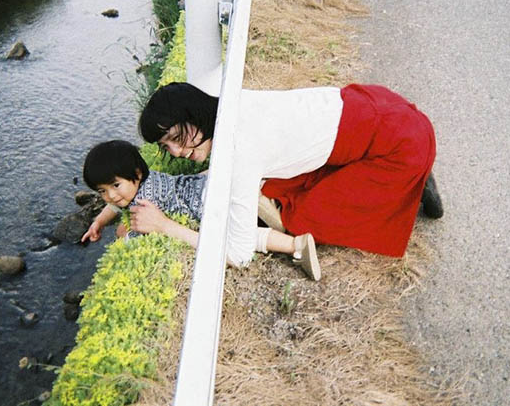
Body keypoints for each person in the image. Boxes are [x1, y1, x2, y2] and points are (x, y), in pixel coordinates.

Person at [136, 82, 443, 278]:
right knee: (286, 185)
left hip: (402, 144)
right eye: (166, 146)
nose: (176, 152)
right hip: (377, 104)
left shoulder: (240, 151)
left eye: (177, 138)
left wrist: (164, 226)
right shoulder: (230, 100)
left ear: (197, 115)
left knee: (303, 218)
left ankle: (415, 180)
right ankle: (414, 176)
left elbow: (239, 256)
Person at [79, 139, 321, 279]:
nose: (111, 195)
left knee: (241, 236)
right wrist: (99, 222)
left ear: (137, 175)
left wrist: (124, 236)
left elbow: (135, 233)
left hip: (209, 207)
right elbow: (115, 203)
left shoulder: (144, 201)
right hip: (206, 186)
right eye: (102, 191)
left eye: (115, 185)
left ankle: (294, 245)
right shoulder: (142, 182)